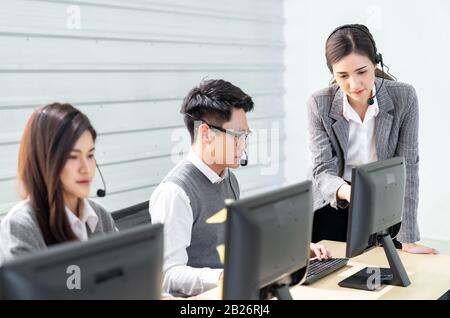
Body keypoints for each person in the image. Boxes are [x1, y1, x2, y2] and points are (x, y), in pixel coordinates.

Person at [150, 79, 330, 297]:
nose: (243, 146)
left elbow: (234, 248)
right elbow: (168, 276)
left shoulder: (228, 178)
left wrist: (288, 251)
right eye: (237, 136)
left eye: (245, 136)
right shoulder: (175, 193)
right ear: (205, 133)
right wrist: (221, 278)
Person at [307, 24, 437, 254]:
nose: (354, 84)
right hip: (335, 202)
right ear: (332, 73)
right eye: (343, 76)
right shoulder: (319, 103)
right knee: (334, 280)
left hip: (383, 201)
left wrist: (408, 239)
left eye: (362, 71)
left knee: (386, 276)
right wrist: (349, 192)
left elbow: (408, 168)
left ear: (375, 63)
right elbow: (322, 170)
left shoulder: (403, 97)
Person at [0, 103, 117, 264]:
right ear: (45, 161)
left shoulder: (99, 215)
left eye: (90, 155)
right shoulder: (21, 226)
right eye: (72, 157)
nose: (86, 169)